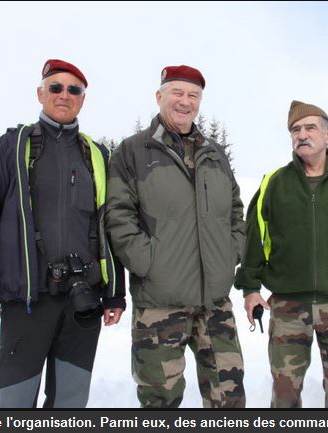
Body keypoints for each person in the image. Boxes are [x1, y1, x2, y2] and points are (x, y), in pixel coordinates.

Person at [0, 59, 125, 408]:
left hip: (83, 302)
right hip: (28, 301)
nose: (64, 95)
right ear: (40, 93)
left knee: (70, 403)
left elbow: (110, 228)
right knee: (13, 402)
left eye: (73, 89)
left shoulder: (97, 155)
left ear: (83, 98)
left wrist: (113, 294)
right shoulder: (11, 147)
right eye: (55, 87)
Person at [105, 65, 246, 408]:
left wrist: (231, 253)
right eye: (177, 93)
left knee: (229, 398)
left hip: (214, 303)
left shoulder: (214, 154)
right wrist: (148, 261)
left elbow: (235, 210)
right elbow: (118, 215)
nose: (185, 102)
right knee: (160, 400)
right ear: (160, 97)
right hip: (159, 303)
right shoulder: (133, 151)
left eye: (193, 95)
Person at [235, 100, 328, 408]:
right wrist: (250, 289)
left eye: (310, 128)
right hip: (288, 308)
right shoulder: (274, 183)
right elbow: (254, 239)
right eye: (295, 130)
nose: (302, 135)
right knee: (285, 394)